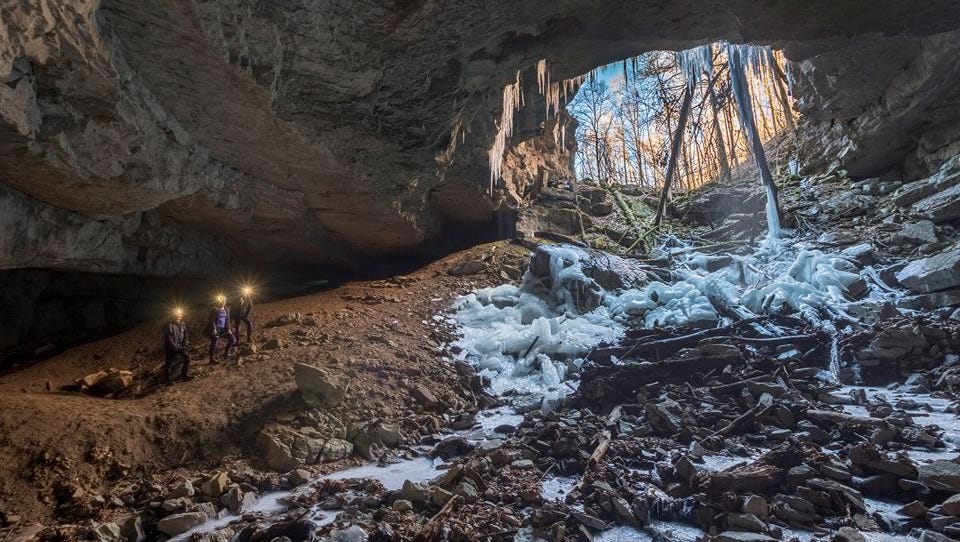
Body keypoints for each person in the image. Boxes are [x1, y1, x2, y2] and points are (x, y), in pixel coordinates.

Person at [163, 308, 192, 383]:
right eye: (177, 315)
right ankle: (167, 380)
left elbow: (185, 335)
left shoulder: (182, 324)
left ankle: (184, 375)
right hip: (171, 348)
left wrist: (185, 344)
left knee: (187, 358)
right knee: (169, 364)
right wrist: (175, 347)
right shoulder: (169, 325)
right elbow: (169, 339)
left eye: (180, 315)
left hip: (180, 346)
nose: (178, 316)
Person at [206, 295, 235, 364]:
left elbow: (227, 320)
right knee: (214, 344)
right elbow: (211, 320)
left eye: (224, 301)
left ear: (225, 302)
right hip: (216, 329)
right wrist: (214, 329)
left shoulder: (226, 309)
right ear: (218, 302)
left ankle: (226, 354)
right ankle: (211, 359)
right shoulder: (215, 309)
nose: (222, 302)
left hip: (224, 329)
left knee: (232, 339)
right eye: (221, 301)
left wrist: (229, 329)